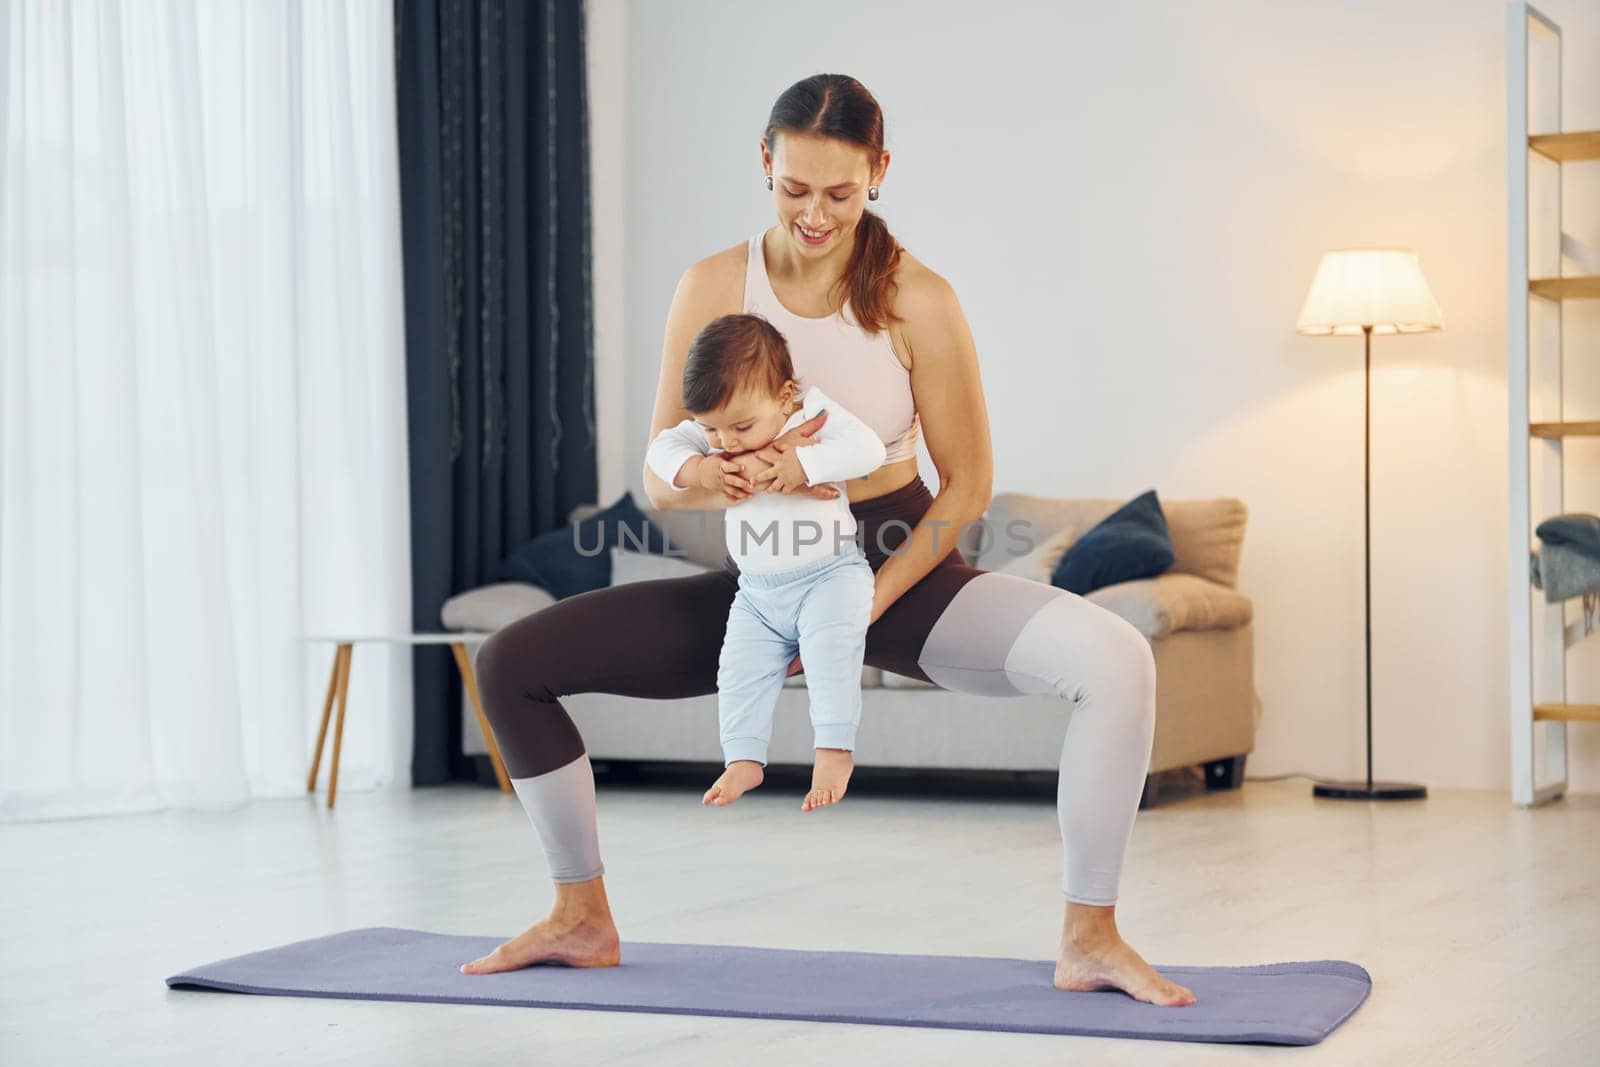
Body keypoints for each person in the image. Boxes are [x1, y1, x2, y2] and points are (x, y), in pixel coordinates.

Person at [463, 73, 1196, 1007]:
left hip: (900, 570)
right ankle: (580, 915)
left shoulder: (914, 297)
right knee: (510, 662)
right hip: (763, 582)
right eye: (794, 189)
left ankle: (1091, 935)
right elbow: (658, 466)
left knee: (1118, 658)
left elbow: (967, 482)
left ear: (879, 173)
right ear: (764, 163)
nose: (815, 214)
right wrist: (702, 476)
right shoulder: (713, 285)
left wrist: (856, 614)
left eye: (841, 194)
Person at [644, 313, 884, 811]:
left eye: (741, 426)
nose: (728, 441)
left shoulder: (812, 415)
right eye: (713, 429)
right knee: (736, 671)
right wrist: (700, 468)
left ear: (785, 395)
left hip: (830, 576)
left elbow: (869, 449)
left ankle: (834, 747)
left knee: (830, 652)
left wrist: (804, 463)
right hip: (756, 593)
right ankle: (743, 759)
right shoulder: (716, 444)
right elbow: (662, 450)